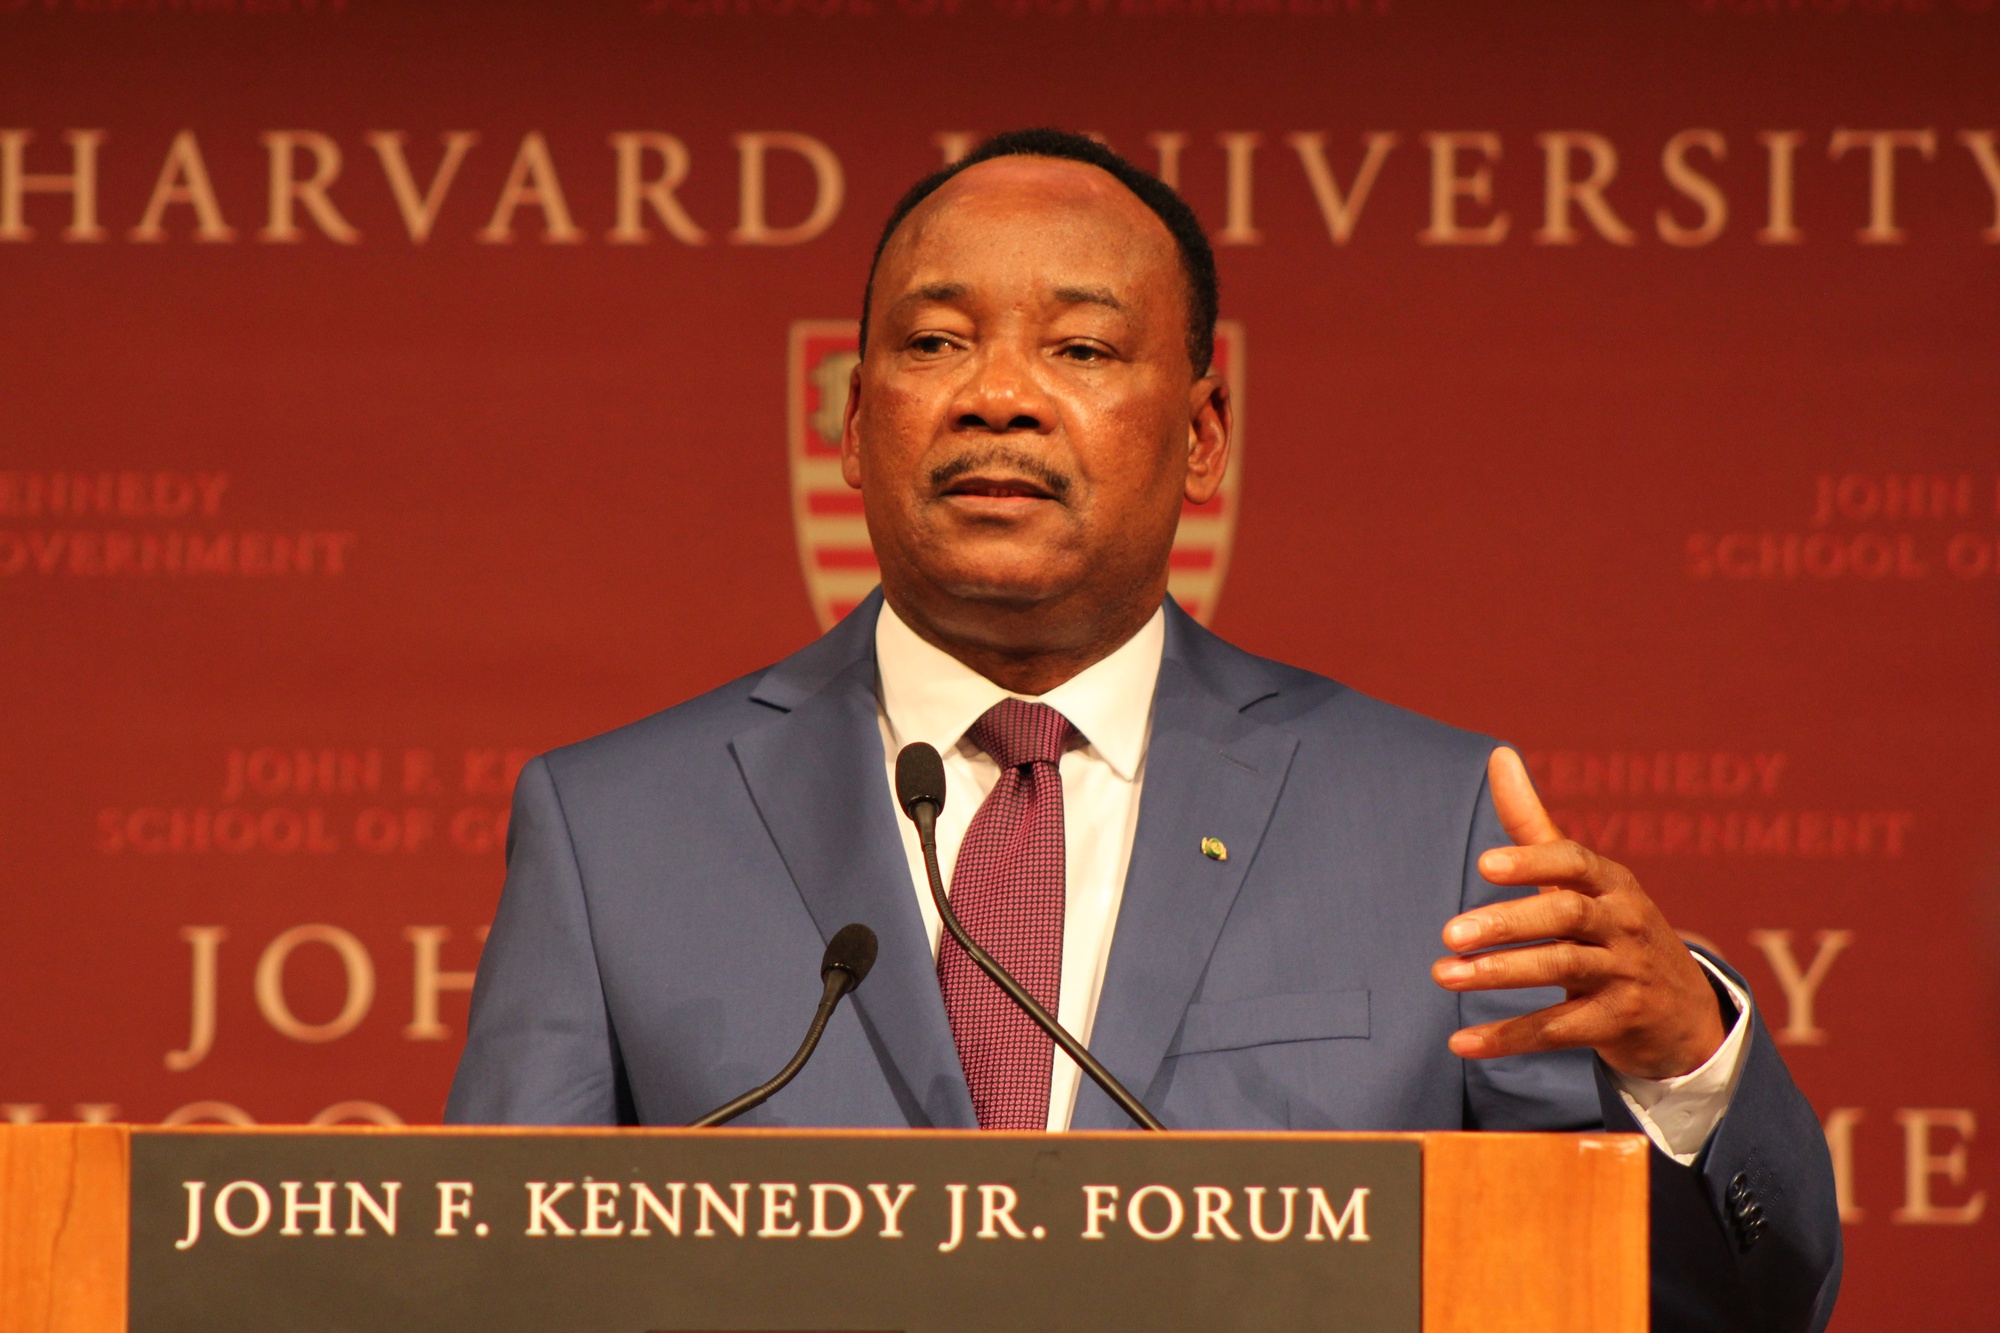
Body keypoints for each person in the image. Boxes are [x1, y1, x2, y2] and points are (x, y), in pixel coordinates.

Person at [447, 129, 1840, 1332]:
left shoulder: (1433, 824)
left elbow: (1711, 1311)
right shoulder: (613, 830)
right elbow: (489, 1297)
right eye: (936, 343)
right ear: (857, 420)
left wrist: (1683, 1070)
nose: (997, 393)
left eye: (1082, 346)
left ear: (1200, 435)